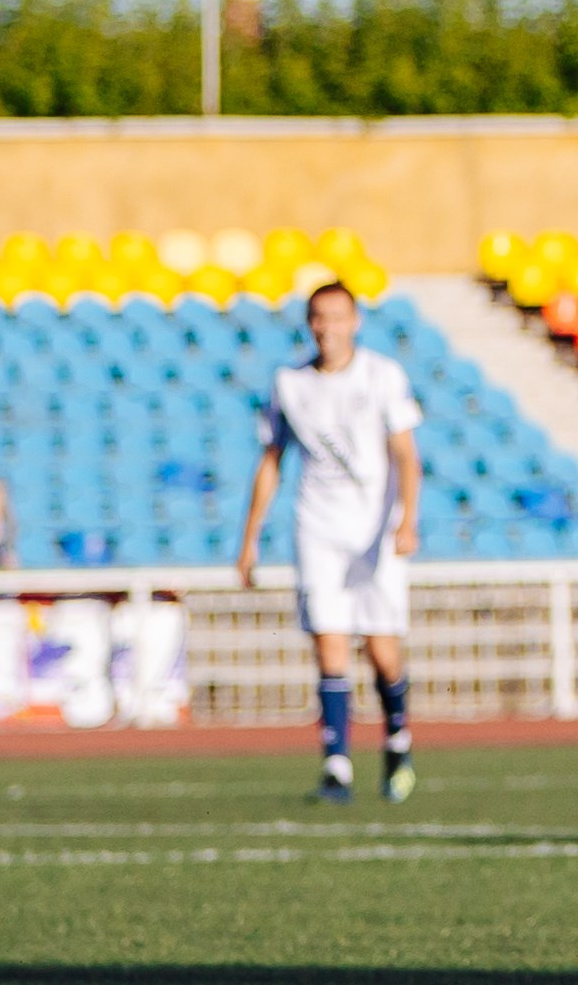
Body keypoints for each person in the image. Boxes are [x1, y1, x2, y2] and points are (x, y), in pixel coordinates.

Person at [237, 281, 426, 804]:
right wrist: (249, 538)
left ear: (355, 321)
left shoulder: (382, 375)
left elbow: (407, 455)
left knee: (383, 650)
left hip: (374, 528)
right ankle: (337, 766)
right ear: (309, 323)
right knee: (329, 638)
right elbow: (271, 461)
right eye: (319, 318)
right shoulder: (289, 383)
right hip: (317, 524)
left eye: (338, 317)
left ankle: (397, 740)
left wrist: (407, 520)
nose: (328, 328)